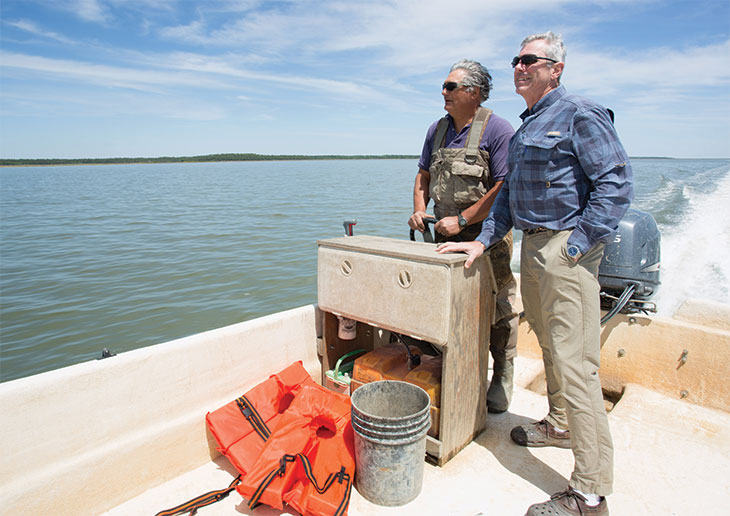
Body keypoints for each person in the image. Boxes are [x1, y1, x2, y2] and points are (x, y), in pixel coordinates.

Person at [436, 32, 633, 516]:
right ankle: (561, 424)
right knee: (548, 345)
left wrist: (579, 245)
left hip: (565, 249)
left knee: (575, 366)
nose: (519, 67)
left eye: (530, 60)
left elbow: (616, 182)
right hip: (533, 247)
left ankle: (589, 493)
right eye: (516, 60)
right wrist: (481, 240)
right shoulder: (529, 126)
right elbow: (506, 200)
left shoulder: (580, 113)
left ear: (555, 69)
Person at [408, 59, 518, 413]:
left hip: (486, 237)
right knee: (445, 304)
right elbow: (423, 174)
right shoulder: (436, 130)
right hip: (441, 237)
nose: (444, 92)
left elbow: (505, 185)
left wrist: (465, 218)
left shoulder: (499, 130)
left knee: (498, 307)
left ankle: (501, 374)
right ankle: (452, 367)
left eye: (450, 86)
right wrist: (418, 209)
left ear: (474, 92)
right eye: (445, 86)